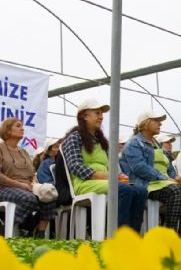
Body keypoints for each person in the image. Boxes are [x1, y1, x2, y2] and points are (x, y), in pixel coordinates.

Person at [60, 98, 147, 233]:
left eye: (101, 114)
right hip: (84, 183)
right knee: (124, 190)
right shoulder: (74, 137)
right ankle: (119, 237)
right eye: (97, 113)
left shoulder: (101, 141)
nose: (101, 117)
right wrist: (108, 177)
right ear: (85, 116)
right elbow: (75, 166)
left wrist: (118, 175)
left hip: (105, 181)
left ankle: (133, 237)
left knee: (140, 190)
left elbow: (111, 168)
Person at [121, 111, 181, 238]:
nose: (160, 123)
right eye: (156, 120)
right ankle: (168, 235)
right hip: (145, 184)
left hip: (163, 182)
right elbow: (140, 168)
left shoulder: (156, 144)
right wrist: (166, 178)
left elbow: (168, 166)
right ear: (145, 124)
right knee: (176, 191)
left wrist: (175, 176)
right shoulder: (134, 143)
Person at [0, 117, 56, 238]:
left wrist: (34, 184)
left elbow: (32, 174)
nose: (22, 128)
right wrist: (20, 185)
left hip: (26, 187)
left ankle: (39, 233)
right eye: (18, 126)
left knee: (49, 196)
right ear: (8, 130)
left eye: (22, 126)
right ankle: (4, 231)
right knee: (28, 198)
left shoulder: (23, 152)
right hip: (2, 188)